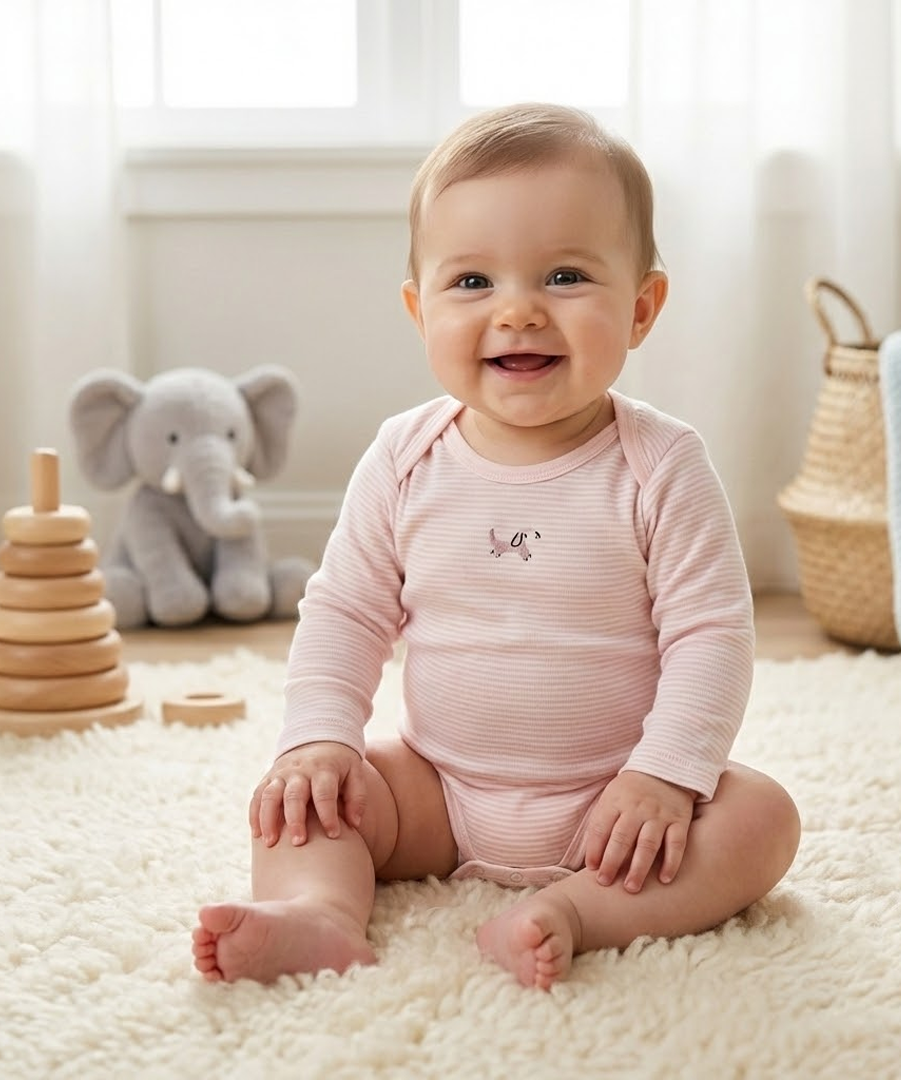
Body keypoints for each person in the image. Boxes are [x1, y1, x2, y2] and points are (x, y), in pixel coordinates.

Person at [192, 102, 801, 991]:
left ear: (641, 308)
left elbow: (711, 635)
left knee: (762, 821)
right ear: (419, 309)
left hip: (616, 803)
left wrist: (666, 776)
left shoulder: (661, 464)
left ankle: (580, 912)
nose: (517, 311)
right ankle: (319, 915)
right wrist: (318, 739)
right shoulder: (407, 457)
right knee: (306, 800)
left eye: (563, 276)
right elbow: (347, 611)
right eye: (473, 283)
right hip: (437, 791)